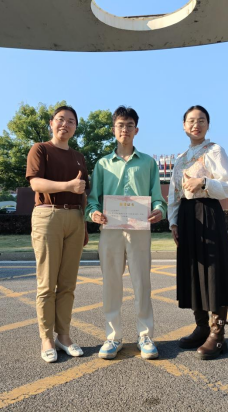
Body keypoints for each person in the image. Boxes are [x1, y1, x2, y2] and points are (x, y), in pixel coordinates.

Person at [86, 106, 167, 360]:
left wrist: (159, 211)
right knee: (111, 283)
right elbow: (92, 201)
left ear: (136, 130)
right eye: (120, 125)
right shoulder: (102, 164)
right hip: (110, 230)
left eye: (129, 125)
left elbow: (158, 198)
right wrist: (94, 214)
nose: (125, 129)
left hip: (139, 230)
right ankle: (113, 337)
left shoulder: (148, 163)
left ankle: (145, 335)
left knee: (142, 282)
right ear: (113, 130)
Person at [168, 105, 228, 360]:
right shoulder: (180, 158)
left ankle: (217, 334)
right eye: (191, 121)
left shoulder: (215, 150)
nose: (196, 125)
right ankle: (201, 328)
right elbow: (174, 193)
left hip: (208, 213)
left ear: (208, 125)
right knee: (193, 271)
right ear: (184, 126)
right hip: (187, 216)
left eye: (201, 120)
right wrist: (173, 223)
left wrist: (204, 182)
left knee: (213, 271)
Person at [26, 106, 89, 363]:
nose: (65, 124)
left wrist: (84, 225)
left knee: (67, 284)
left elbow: (83, 192)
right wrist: (68, 186)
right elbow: (35, 183)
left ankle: (64, 336)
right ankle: (46, 338)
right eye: (61, 119)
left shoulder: (79, 157)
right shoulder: (40, 149)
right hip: (48, 215)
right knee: (46, 283)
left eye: (71, 121)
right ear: (51, 123)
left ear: (75, 128)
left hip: (75, 218)